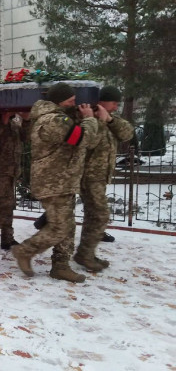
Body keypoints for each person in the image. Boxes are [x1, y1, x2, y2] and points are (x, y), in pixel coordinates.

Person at [11, 83, 100, 283]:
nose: (74, 102)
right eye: (70, 99)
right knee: (60, 227)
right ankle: (25, 251)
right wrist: (89, 119)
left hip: (62, 179)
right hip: (54, 182)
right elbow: (82, 138)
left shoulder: (59, 117)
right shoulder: (53, 120)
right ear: (59, 100)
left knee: (67, 225)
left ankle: (61, 266)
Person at [74, 86, 134, 271]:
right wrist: (94, 119)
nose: (116, 107)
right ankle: (84, 254)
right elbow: (87, 141)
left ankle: (86, 254)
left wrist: (109, 119)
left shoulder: (109, 118)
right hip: (88, 176)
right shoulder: (86, 116)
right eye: (114, 103)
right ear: (102, 101)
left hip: (99, 177)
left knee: (93, 216)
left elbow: (127, 134)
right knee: (100, 215)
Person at [0, 111, 31, 251]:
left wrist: (26, 120)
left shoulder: (13, 124)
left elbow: (26, 138)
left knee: (8, 205)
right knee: (6, 203)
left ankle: (7, 238)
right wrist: (3, 120)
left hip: (11, 170)